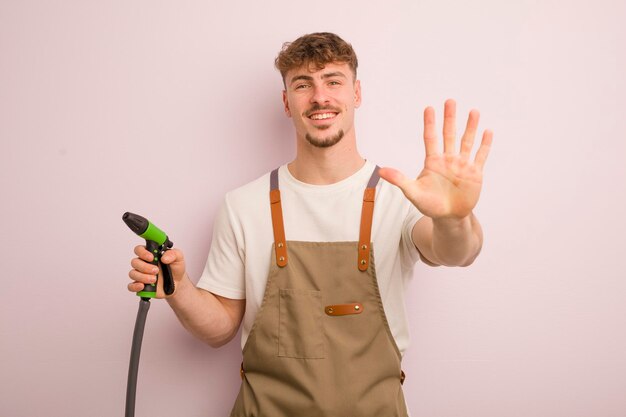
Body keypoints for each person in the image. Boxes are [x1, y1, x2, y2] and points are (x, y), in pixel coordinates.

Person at [128, 32, 493, 416]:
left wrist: (454, 218)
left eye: (333, 81)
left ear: (357, 93)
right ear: (287, 102)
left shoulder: (400, 196)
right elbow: (219, 329)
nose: (320, 97)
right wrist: (179, 287)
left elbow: (456, 252)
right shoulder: (243, 205)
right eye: (303, 85)